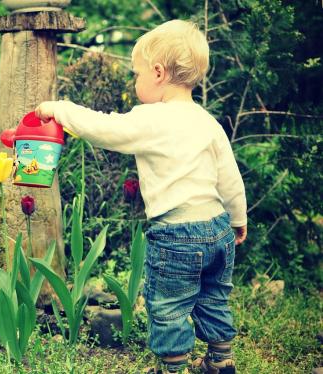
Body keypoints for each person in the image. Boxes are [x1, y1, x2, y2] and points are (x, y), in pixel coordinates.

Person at [35, 19, 246, 374]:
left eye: (137, 74)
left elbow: (103, 129)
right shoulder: (207, 122)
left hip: (176, 235)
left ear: (159, 73)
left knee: (169, 305)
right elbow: (230, 178)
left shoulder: (152, 119)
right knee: (213, 297)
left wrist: (59, 110)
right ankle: (220, 359)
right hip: (218, 229)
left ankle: (172, 368)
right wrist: (238, 219)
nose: (136, 83)